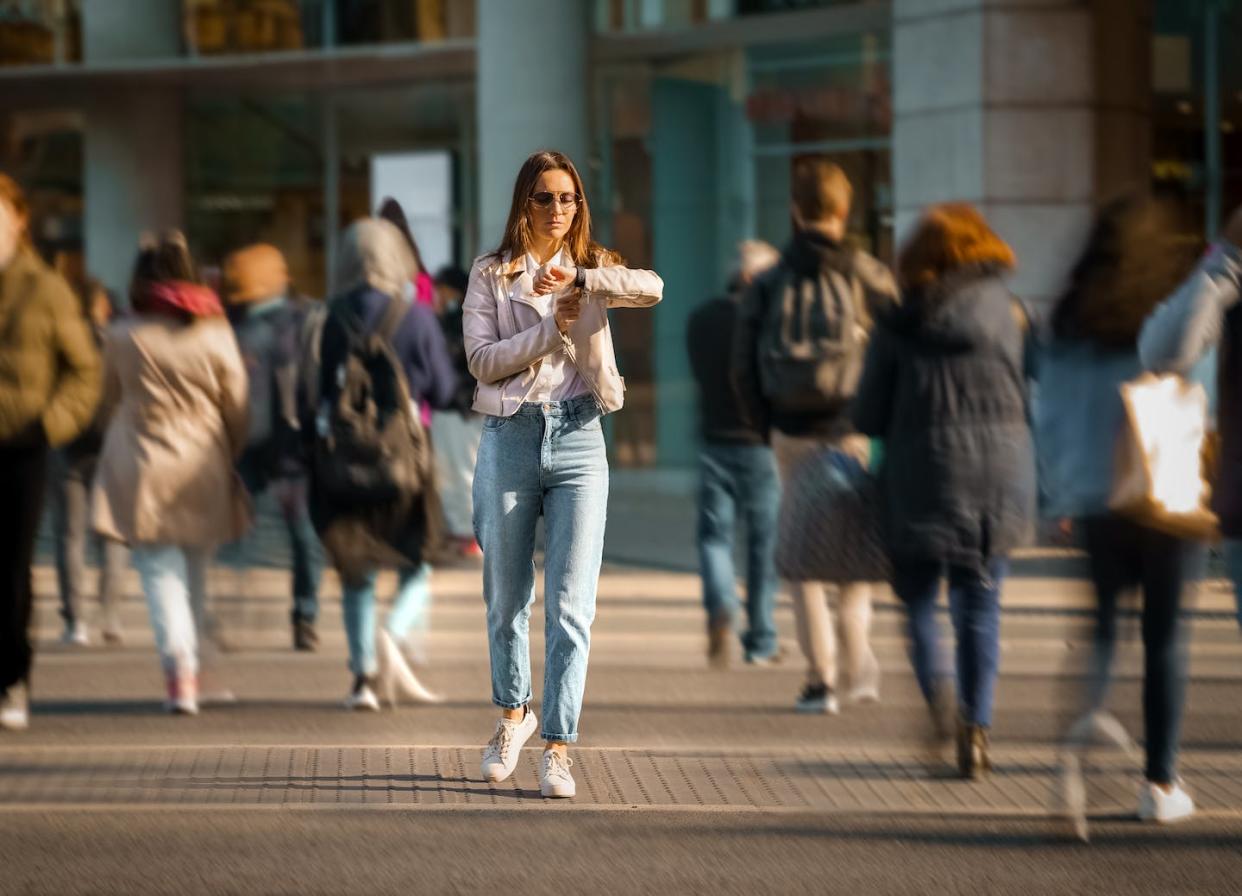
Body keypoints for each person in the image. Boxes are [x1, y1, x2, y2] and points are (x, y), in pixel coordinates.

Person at [465, 149, 662, 798]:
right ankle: (512, 716)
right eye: (546, 198)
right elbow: (482, 361)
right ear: (524, 204)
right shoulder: (491, 274)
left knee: (572, 607)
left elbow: (653, 287)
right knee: (507, 599)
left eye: (569, 198)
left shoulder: (593, 267)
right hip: (511, 436)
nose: (559, 209)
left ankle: (558, 746)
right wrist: (552, 332)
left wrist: (581, 283)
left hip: (580, 438)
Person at [853, 203, 1035, 779]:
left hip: (920, 476)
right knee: (981, 606)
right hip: (1000, 476)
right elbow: (1031, 394)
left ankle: (938, 702)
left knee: (919, 605)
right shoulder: (1013, 313)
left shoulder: (900, 322)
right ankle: (975, 728)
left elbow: (869, 414)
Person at [1074, 201, 1242, 823]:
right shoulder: (1204, 293)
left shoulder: (1076, 307)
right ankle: (1159, 781)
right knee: (1165, 636)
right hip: (1171, 484)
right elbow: (1172, 357)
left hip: (1105, 487)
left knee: (1107, 633)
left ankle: (1081, 750)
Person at [732, 158, 897, 714]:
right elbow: (899, 345)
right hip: (853, 430)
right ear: (844, 211)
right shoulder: (867, 273)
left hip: (792, 433)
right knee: (854, 549)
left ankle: (820, 680)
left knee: (802, 556)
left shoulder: (771, 280)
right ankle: (859, 663)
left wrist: (763, 423)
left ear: (796, 211)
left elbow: (742, 363)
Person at [93, 231, 249, 715]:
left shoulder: (123, 334)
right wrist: (231, 448)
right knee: (197, 566)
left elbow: (104, 400)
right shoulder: (215, 330)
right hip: (202, 459)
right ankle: (195, 665)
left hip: (142, 462)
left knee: (159, 569)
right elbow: (237, 403)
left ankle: (180, 668)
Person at [313, 217, 457, 710]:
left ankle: (363, 681)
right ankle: (391, 634)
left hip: (345, 462)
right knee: (416, 563)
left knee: (358, 571)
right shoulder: (415, 317)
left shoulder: (331, 317)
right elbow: (441, 388)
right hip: (405, 462)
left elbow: (319, 390)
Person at [0, 173, 102, 731]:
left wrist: (50, 425)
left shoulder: (46, 289)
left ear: (18, 222)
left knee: (13, 571)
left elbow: (85, 372)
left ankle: (12, 677)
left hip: (21, 448)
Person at [223, 243, 324, 651]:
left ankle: (231, 611)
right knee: (304, 537)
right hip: (298, 450)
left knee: (236, 531)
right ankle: (305, 615)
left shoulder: (240, 331)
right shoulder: (308, 320)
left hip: (251, 448)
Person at [688, 240, 782, 667]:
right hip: (761, 445)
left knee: (714, 537)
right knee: (763, 545)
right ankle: (761, 640)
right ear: (752, 278)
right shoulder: (766, 321)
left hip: (713, 439)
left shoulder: (701, 319)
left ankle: (722, 603)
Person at [48, 278, 129, 647]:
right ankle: (110, 616)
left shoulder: (55, 341)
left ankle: (75, 622)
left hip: (66, 446)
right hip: (111, 447)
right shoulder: (119, 341)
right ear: (103, 306)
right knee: (113, 533)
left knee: (70, 537)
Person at [431, 264, 484, 559]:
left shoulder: (464, 321)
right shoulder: (458, 319)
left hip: (463, 408)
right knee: (451, 472)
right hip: (456, 407)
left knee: (464, 471)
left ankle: (469, 534)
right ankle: (460, 530)